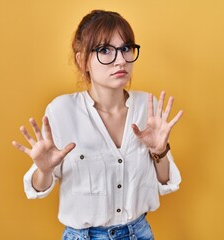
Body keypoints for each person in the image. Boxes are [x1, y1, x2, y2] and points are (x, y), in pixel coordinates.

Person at [12, 9, 183, 240]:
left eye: (125, 49)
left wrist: (160, 151)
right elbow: (39, 188)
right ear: (82, 60)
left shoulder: (147, 107)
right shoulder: (62, 111)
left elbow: (165, 182)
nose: (121, 60)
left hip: (139, 233)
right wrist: (44, 169)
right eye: (105, 50)